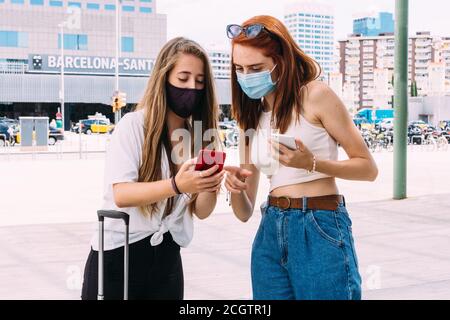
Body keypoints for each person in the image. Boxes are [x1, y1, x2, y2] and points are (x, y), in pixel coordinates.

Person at [223, 16, 378, 300]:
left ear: (281, 62)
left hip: (318, 225)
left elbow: (368, 168)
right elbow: (244, 212)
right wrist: (234, 188)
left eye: (256, 68)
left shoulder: (315, 95)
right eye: (240, 69)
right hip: (270, 229)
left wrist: (312, 164)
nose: (246, 76)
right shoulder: (250, 117)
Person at [81, 37, 225, 300]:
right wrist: (177, 185)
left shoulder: (200, 136)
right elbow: (122, 194)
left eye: (200, 81)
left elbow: (202, 211)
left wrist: (211, 185)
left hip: (168, 258)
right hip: (119, 256)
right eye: (183, 78)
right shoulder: (134, 125)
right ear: (164, 78)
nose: (192, 87)